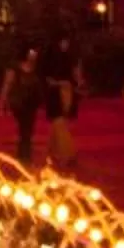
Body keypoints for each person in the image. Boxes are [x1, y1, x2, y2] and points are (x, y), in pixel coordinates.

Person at [0, 46, 43, 165]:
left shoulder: (36, 69)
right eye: (31, 53)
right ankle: (23, 156)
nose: (34, 55)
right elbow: (7, 85)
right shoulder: (15, 68)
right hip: (18, 102)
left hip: (31, 103)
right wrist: (3, 103)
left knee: (27, 130)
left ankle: (25, 155)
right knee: (25, 129)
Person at [47, 39, 85, 173]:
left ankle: (62, 154)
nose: (65, 44)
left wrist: (79, 84)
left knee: (59, 122)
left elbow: (77, 75)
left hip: (65, 91)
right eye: (62, 42)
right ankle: (61, 153)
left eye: (66, 42)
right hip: (56, 92)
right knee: (58, 123)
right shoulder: (51, 57)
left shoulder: (71, 58)